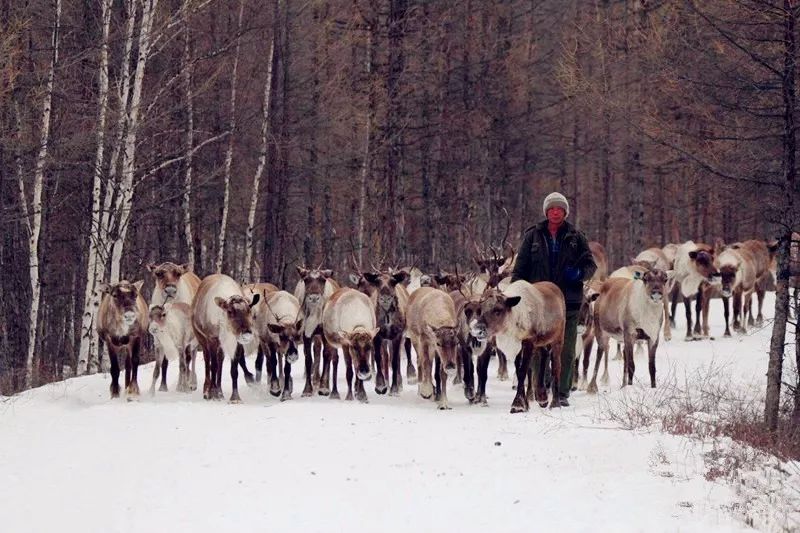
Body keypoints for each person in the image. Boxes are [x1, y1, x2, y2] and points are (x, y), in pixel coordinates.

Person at [511, 192, 596, 407]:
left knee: (565, 348)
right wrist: (517, 292)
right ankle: (540, 386)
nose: (555, 212)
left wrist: (578, 274)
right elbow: (520, 268)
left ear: (565, 212)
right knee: (535, 347)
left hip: (569, 301)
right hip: (538, 302)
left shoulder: (576, 237)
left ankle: (562, 391)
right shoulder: (533, 236)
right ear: (546, 212)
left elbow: (590, 265)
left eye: (559, 209)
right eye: (551, 209)